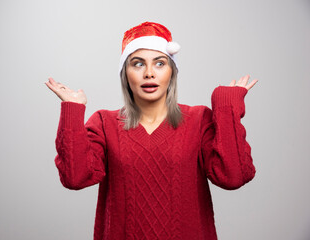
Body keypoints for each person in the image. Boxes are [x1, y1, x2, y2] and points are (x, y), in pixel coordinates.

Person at [45, 22, 258, 240]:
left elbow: (233, 177)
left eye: (159, 63)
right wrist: (73, 109)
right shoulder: (104, 123)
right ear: (125, 73)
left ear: (171, 72)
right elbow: (75, 178)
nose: (149, 73)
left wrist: (226, 107)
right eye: (137, 64)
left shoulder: (198, 120)